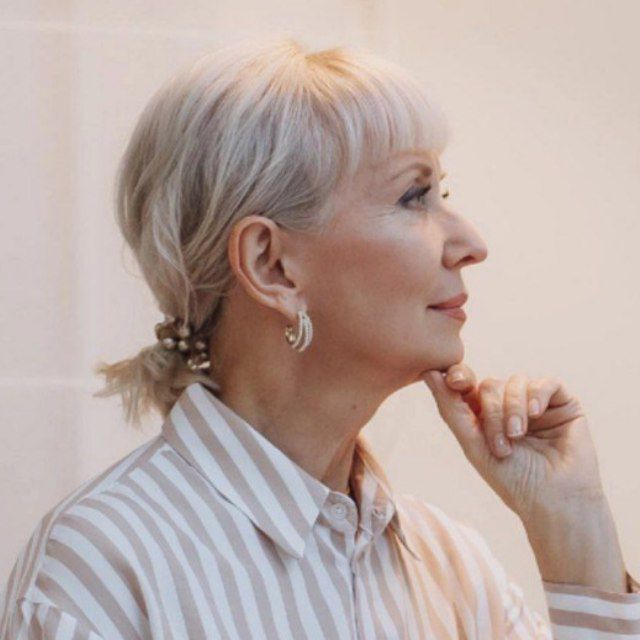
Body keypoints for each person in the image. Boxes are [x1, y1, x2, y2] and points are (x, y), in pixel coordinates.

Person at [1, 36, 638, 639]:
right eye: (415, 196)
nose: (471, 244)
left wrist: (573, 526)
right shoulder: (102, 570)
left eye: (441, 193)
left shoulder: (457, 571)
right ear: (272, 266)